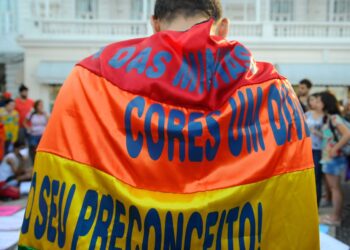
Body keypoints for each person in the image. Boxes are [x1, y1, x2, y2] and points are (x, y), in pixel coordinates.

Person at [19, 0, 319, 249]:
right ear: (223, 26)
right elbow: (288, 205)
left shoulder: (89, 78)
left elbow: (61, 178)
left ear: (154, 23)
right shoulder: (273, 90)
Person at [318, 91, 350, 226]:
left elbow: (347, 134)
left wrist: (335, 148)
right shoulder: (328, 118)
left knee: (335, 188)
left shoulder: (334, 118)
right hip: (329, 158)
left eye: (319, 101)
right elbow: (328, 136)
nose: (317, 103)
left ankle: (336, 217)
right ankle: (334, 215)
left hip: (334, 159)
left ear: (325, 103)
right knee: (333, 188)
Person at [305, 93, 323, 206]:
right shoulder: (307, 114)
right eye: (311, 100)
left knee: (317, 177)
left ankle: (316, 203)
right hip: (307, 148)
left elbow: (328, 135)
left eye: (316, 100)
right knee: (308, 176)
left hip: (320, 150)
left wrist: (317, 132)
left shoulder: (325, 116)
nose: (313, 103)